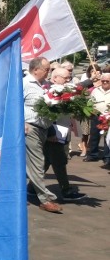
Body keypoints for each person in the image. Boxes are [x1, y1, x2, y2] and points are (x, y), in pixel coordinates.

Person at [23, 57, 62, 213]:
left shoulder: (42, 86)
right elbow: (13, 103)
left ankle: (29, 190)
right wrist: (22, 122)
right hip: (30, 128)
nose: (49, 72)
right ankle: (45, 199)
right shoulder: (25, 84)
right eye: (47, 69)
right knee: (38, 163)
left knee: (37, 163)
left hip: (43, 129)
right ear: (36, 69)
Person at [42, 68, 85, 201]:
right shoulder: (49, 92)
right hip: (54, 133)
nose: (68, 80)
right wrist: (51, 132)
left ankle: (31, 187)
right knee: (59, 162)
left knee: (47, 162)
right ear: (54, 78)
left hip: (62, 131)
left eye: (69, 77)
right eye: (65, 78)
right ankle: (66, 191)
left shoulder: (65, 91)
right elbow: (47, 114)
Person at [86, 72, 110, 166]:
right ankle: (92, 155)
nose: (104, 82)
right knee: (94, 136)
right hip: (96, 115)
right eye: (103, 80)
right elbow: (90, 101)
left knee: (107, 138)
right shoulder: (96, 90)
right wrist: (90, 110)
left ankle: (107, 157)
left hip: (108, 117)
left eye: (107, 81)